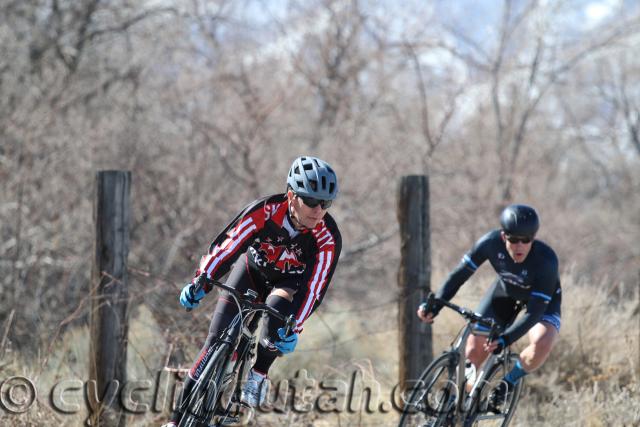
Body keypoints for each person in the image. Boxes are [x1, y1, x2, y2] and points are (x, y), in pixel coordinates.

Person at [162, 156, 342, 427]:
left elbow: (315, 288)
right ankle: (176, 421)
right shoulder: (266, 211)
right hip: (251, 272)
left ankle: (259, 373)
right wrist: (202, 281)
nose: (318, 210)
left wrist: (295, 327)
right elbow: (228, 245)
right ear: (292, 196)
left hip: (287, 285)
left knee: (276, 322)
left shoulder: (327, 237)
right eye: (312, 201)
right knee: (214, 342)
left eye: (325, 203)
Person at [417, 204, 561, 410]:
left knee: (542, 343)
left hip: (541, 303)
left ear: (533, 238)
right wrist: (435, 304)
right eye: (513, 239)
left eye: (526, 240)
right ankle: (457, 407)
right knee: (474, 352)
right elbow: (460, 274)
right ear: (503, 237)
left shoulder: (546, 260)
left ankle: (509, 382)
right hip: (505, 294)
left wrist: (506, 338)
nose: (519, 245)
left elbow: (534, 313)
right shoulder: (490, 243)